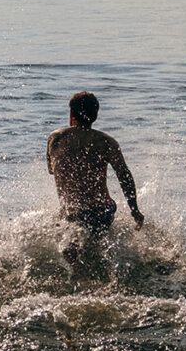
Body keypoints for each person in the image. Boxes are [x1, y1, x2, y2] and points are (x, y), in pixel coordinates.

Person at [47, 92, 144, 271]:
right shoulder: (107, 142)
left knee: (72, 245)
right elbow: (125, 177)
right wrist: (135, 210)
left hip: (71, 211)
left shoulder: (56, 138)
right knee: (98, 245)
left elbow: (51, 170)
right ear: (96, 116)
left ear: (71, 114)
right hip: (102, 210)